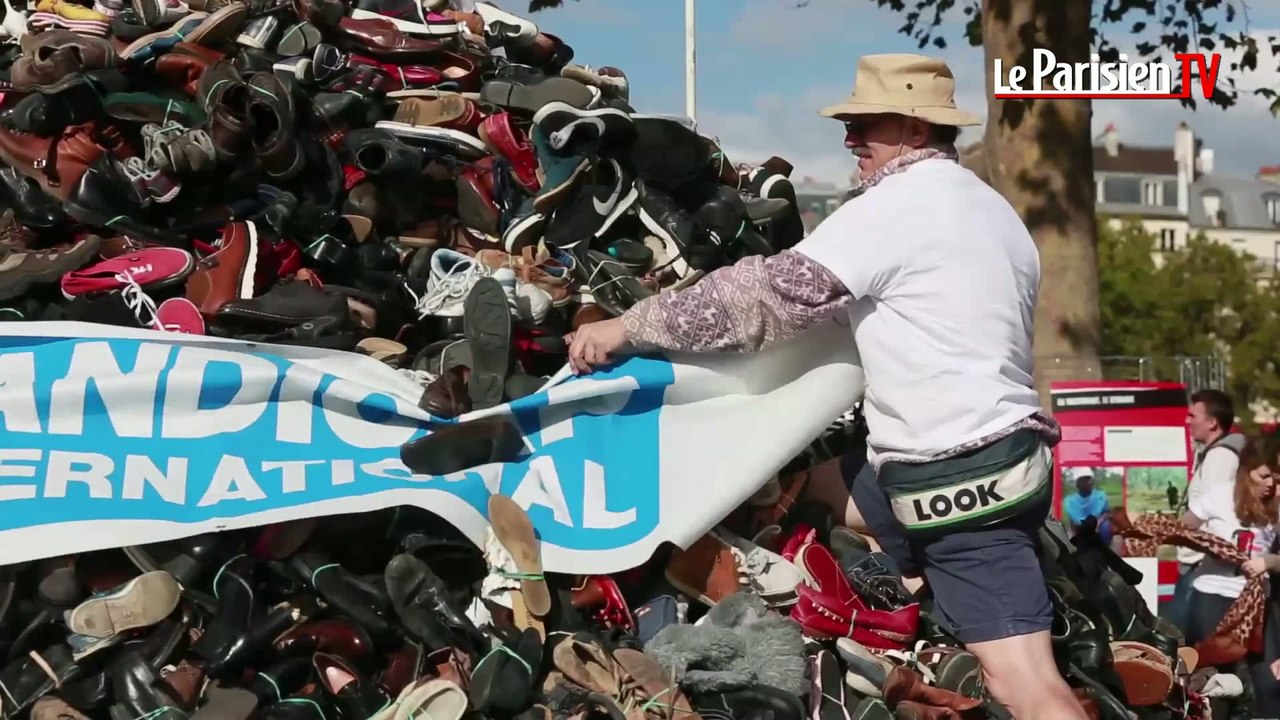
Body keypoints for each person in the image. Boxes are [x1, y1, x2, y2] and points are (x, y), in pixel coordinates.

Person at [567, 54, 1084, 720]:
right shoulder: (993, 211)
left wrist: (629, 326)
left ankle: (880, 624)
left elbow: (760, 299)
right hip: (975, 460)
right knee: (798, 491)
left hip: (957, 479)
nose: (849, 140)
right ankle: (887, 609)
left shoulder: (896, 208)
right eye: (848, 125)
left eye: (865, 125)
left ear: (916, 129)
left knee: (1026, 682)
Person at [1164, 389, 1245, 630]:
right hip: (1199, 564)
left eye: (1193, 415)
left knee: (1179, 637)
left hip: (1200, 566)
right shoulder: (1213, 453)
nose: (1187, 420)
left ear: (1212, 423)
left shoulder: (1220, 457)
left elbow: (1217, 513)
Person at [1181, 437, 1276, 644]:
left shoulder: (1275, 505)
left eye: (1275, 477)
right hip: (1213, 593)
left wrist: (1268, 562)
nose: (1270, 483)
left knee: (1259, 666)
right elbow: (1183, 528)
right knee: (1210, 660)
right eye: (1264, 476)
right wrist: (1209, 544)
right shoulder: (1221, 494)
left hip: (1255, 601)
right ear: (1246, 472)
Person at [1062, 472, 1111, 543]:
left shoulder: (1100, 496)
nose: (1087, 483)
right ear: (1077, 484)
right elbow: (1073, 520)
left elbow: (1106, 513)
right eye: (1083, 480)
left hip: (1098, 525)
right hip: (1080, 527)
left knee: (1105, 527)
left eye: (1088, 480)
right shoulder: (1070, 500)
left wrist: (1098, 523)